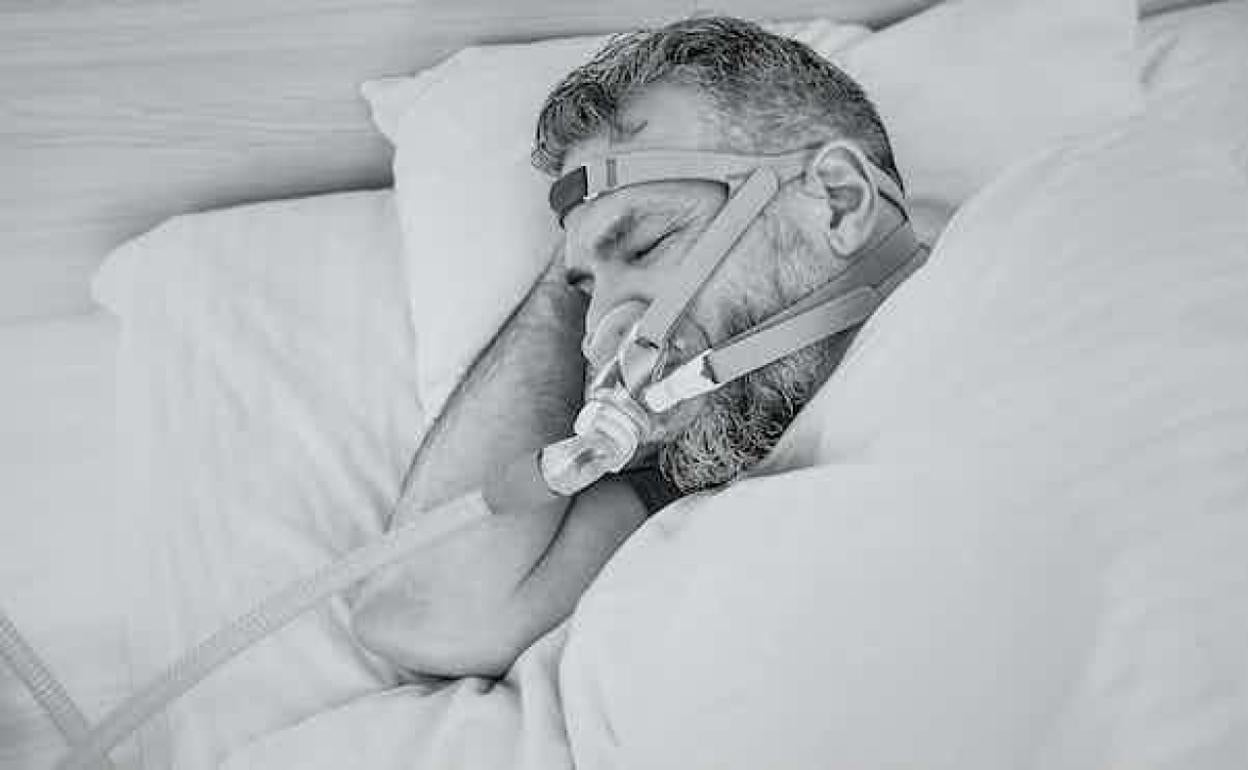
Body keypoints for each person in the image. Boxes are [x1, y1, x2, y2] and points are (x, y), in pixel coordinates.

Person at [350, 15, 912, 679]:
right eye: (587, 292)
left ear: (839, 201)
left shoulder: (1000, 294)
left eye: (647, 244)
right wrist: (575, 278)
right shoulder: (709, 455)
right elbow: (419, 610)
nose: (602, 336)